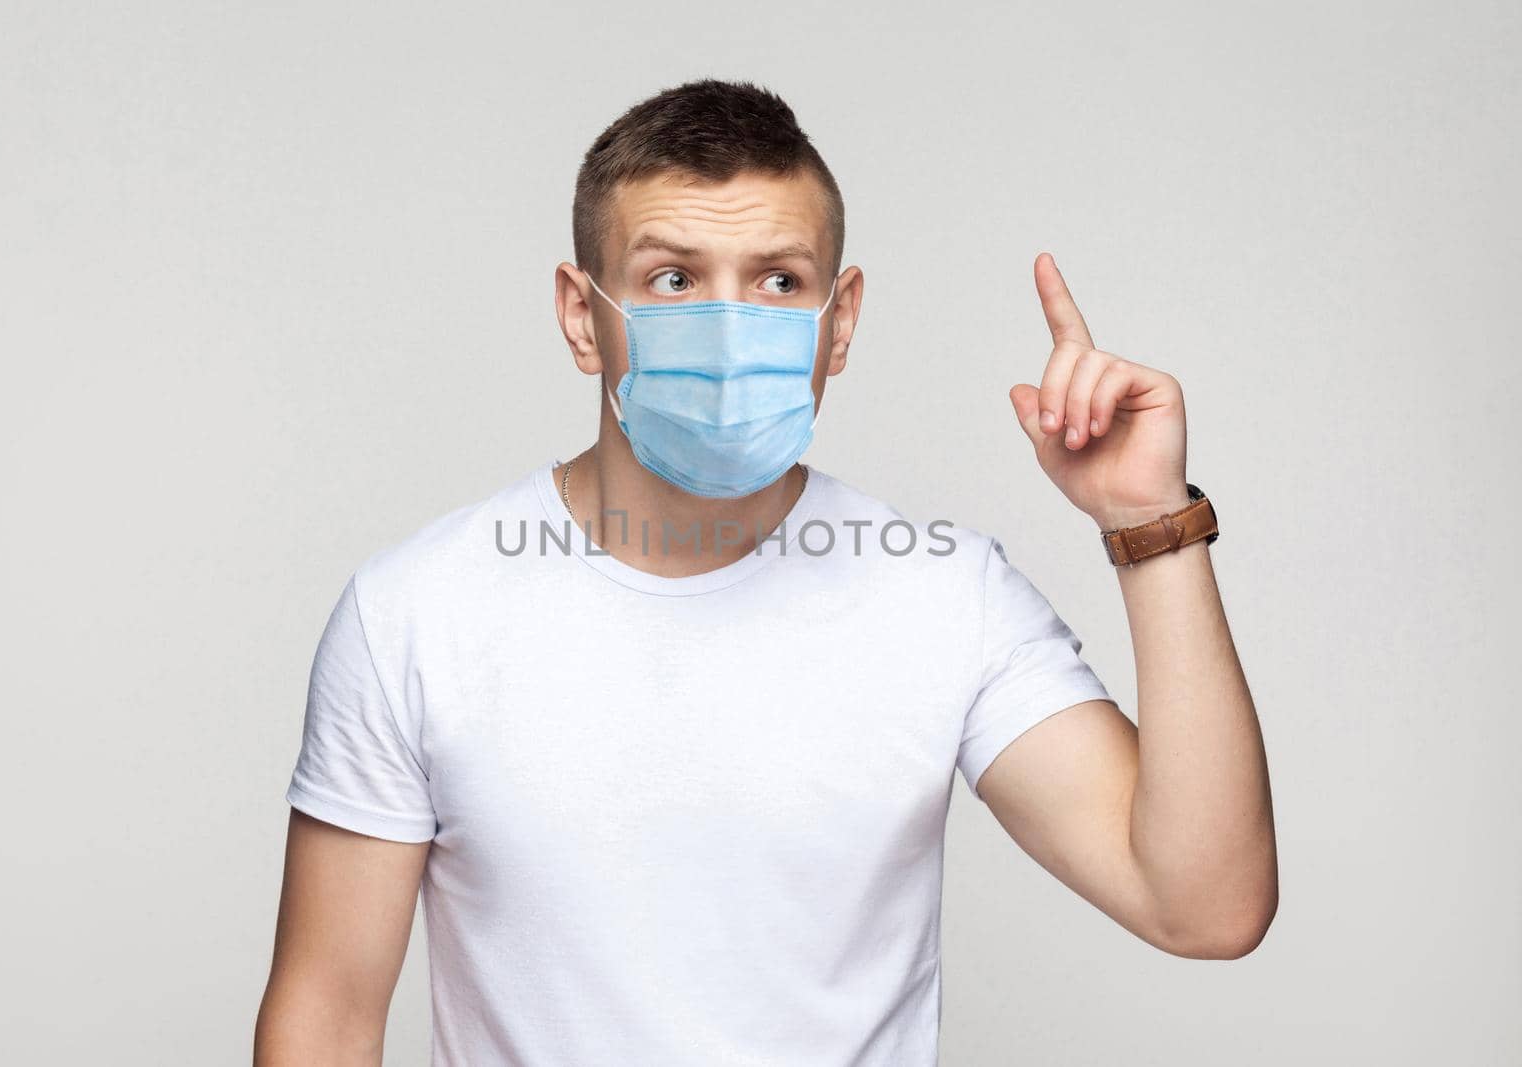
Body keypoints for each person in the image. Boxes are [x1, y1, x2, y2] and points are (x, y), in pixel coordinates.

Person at [253, 78, 1277, 1066]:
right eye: (673, 278)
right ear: (581, 315)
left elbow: (1204, 903)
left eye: (778, 280)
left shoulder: (939, 597)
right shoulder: (416, 612)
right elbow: (328, 1017)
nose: (731, 325)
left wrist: (1151, 523)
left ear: (839, 322)